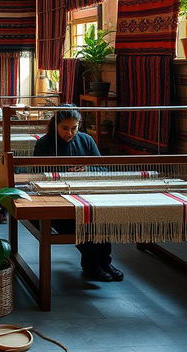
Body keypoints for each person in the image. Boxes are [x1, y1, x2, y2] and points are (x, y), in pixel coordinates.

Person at [33, 106, 124, 282]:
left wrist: (87, 168)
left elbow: (101, 169)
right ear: (56, 125)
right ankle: (92, 265)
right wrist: (63, 172)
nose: (70, 133)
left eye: (74, 128)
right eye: (65, 128)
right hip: (58, 202)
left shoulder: (87, 140)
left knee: (101, 219)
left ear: (79, 125)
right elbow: (37, 173)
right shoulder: (44, 143)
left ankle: (105, 263)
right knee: (84, 223)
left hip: (86, 195)